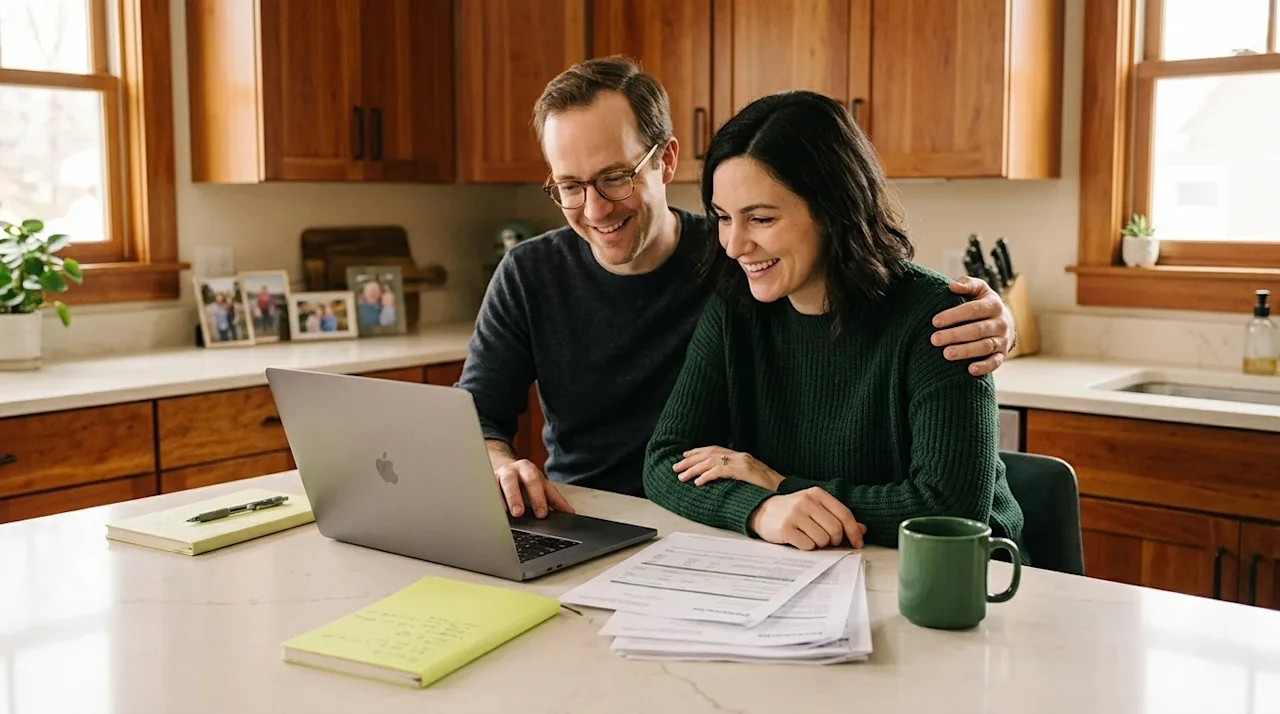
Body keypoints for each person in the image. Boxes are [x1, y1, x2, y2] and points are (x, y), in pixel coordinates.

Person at [457, 56, 1020, 521]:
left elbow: (881, 288)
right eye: (570, 186)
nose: (595, 207)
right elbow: (479, 417)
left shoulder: (738, 272)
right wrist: (496, 465)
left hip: (778, 538)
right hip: (610, 518)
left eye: (614, 177)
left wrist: (997, 321)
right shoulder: (738, 285)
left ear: (665, 160)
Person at [641, 89, 1025, 559]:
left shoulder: (941, 319)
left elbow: (950, 511)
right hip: (818, 566)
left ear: (834, 211)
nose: (735, 244)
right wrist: (761, 510)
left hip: (971, 580)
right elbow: (664, 462)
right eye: (723, 218)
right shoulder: (734, 309)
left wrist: (780, 485)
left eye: (760, 218)